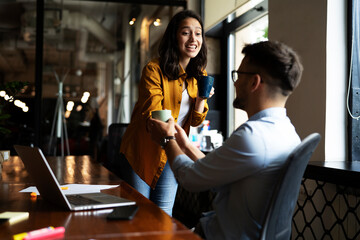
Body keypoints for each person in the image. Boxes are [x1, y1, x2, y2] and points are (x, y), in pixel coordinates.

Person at [148, 40, 304, 239]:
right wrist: (185, 144)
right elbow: (209, 171)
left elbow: (191, 179)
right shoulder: (288, 134)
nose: (236, 82)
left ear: (254, 82)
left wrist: (167, 139)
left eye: (238, 75)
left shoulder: (252, 136)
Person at [119, 10, 214, 216]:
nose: (193, 39)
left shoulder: (200, 75)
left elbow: (196, 121)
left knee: (163, 214)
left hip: (171, 151)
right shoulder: (154, 69)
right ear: (174, 36)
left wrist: (201, 99)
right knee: (139, 214)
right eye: (186, 33)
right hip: (143, 150)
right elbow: (156, 116)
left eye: (198, 34)